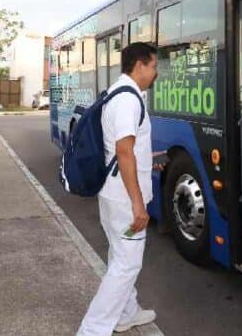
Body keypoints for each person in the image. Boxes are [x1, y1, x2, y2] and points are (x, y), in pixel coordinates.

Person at [77, 42, 159, 336]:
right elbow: (124, 151)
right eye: (153, 66)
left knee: (119, 255)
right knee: (126, 264)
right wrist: (138, 203)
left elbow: (124, 149)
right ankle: (93, 330)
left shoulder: (118, 92)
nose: (155, 72)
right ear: (139, 65)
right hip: (125, 199)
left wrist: (149, 162)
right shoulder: (128, 100)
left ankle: (127, 313)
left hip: (113, 192)